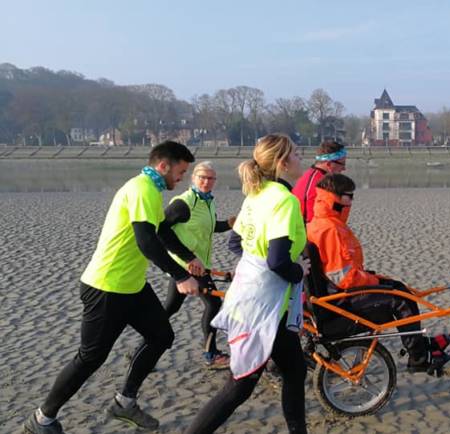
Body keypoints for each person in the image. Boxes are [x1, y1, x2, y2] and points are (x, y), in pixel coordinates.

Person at [23, 141, 201, 434]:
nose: (181, 178)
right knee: (90, 358)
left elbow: (162, 232)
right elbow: (146, 241)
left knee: (161, 335)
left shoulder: (151, 191)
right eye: (181, 171)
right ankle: (42, 418)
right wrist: (180, 277)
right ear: (163, 166)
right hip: (106, 287)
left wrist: (188, 257)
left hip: (132, 287)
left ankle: (125, 401)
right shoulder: (141, 188)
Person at [185, 134, 311, 434]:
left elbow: (236, 242)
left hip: (252, 294)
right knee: (240, 385)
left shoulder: (256, 193)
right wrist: (299, 270)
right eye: (295, 153)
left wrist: (257, 262)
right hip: (264, 304)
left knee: (295, 369)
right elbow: (278, 261)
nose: (300, 158)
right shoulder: (284, 200)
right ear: (282, 162)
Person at [306, 173, 450, 376]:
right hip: (340, 301)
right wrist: (374, 280)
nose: (352, 201)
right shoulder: (331, 229)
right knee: (400, 300)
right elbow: (343, 277)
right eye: (350, 197)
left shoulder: (320, 222)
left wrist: (378, 279)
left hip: (336, 292)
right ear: (336, 198)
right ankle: (418, 356)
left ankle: (419, 347)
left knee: (399, 288)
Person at [158, 161, 236, 369]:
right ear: (193, 178)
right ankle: (211, 354)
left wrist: (227, 224)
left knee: (170, 308)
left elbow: (206, 228)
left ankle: (144, 344)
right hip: (188, 266)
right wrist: (187, 257)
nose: (206, 182)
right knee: (213, 304)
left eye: (211, 178)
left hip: (197, 265)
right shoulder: (184, 202)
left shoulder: (207, 202)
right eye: (202, 177)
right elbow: (160, 230)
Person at [292, 139, 347, 223]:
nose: (344, 168)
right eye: (342, 164)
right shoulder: (316, 182)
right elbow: (309, 219)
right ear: (329, 164)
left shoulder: (319, 177)